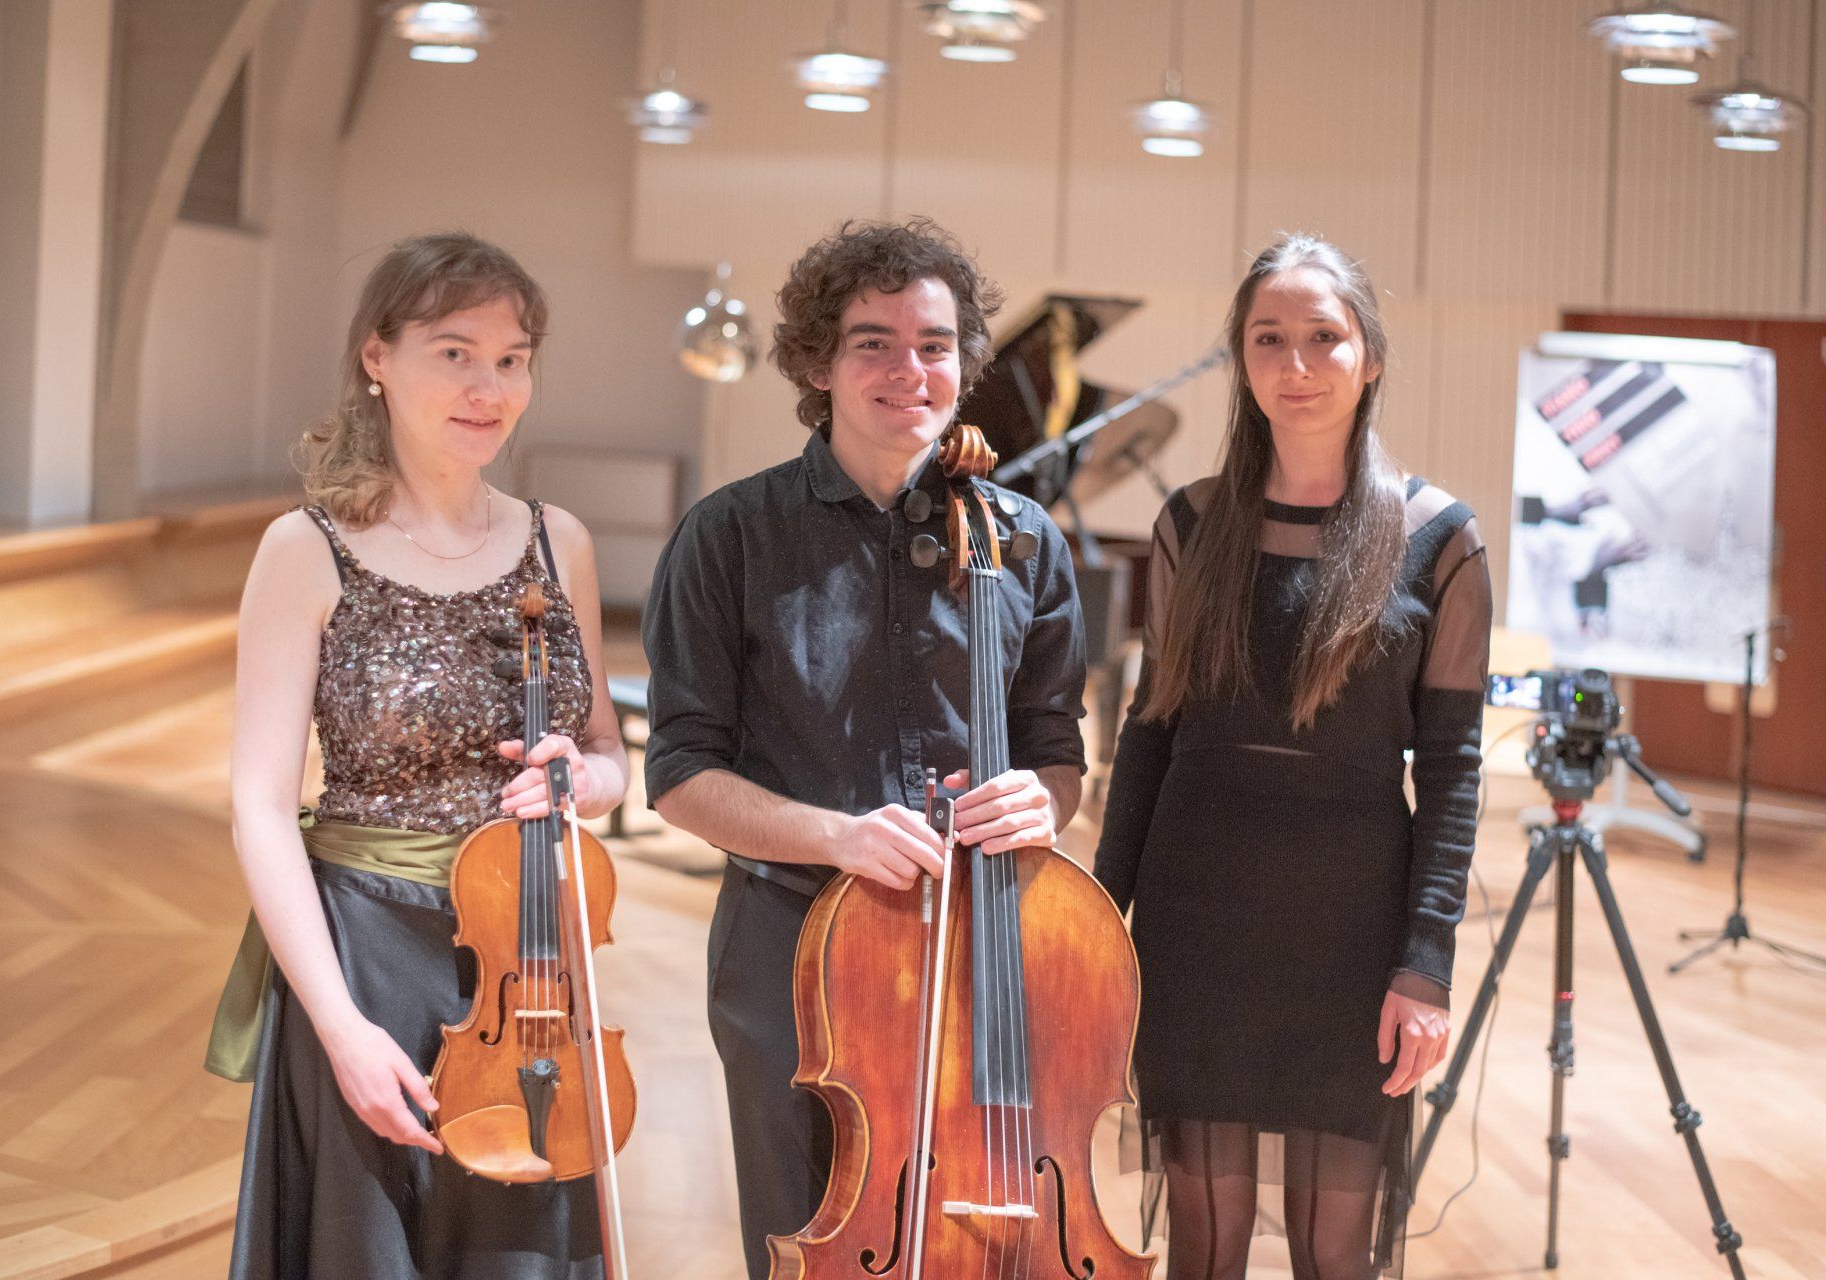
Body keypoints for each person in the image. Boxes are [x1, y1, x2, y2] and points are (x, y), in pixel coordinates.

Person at [637, 218, 1090, 1279]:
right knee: (808, 1240)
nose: (907, 371)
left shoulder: (1027, 543)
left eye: (932, 345)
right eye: (872, 343)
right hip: (791, 947)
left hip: (982, 950)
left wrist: (1046, 801)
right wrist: (835, 836)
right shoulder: (729, 536)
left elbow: (1056, 751)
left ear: (963, 364)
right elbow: (682, 773)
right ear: (818, 364)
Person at [205, 231, 628, 1279]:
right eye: (455, 353)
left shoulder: (559, 540)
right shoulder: (307, 549)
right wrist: (338, 1025)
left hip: (530, 965)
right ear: (377, 357)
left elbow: (610, 758)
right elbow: (261, 807)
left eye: (512, 358)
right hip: (367, 955)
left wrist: (582, 780)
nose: (490, 388)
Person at [1093, 233, 1491, 1280]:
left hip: (1351, 928)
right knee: (1204, 1244)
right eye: (1269, 338)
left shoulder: (1441, 538)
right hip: (1195, 916)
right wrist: (1094, 922)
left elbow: (1453, 771)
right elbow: (1149, 732)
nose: (1297, 363)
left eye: (1325, 337)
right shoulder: (1190, 523)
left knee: (1333, 1251)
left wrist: (1427, 963)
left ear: (1371, 356)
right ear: (1241, 358)